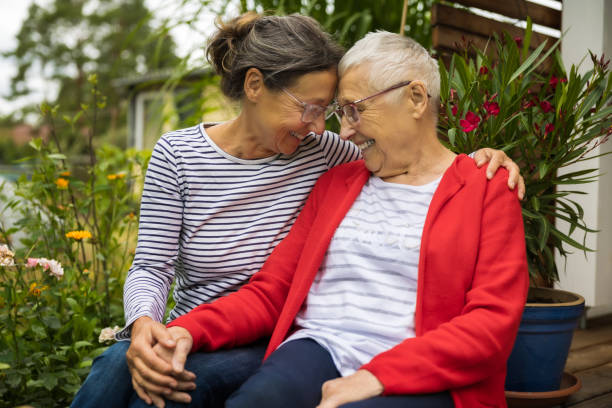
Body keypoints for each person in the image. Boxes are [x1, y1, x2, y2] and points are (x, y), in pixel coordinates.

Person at [71, 12, 523, 408]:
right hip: (268, 334)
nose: (333, 130)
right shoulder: (327, 173)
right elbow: (249, 285)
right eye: (320, 110)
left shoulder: (336, 155)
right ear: (254, 86)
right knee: (122, 366)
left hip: (331, 343)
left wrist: (487, 159)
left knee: (169, 388)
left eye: (344, 111)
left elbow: (424, 162)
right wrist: (169, 326)